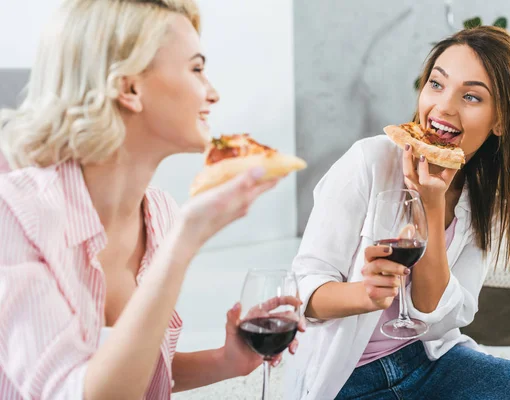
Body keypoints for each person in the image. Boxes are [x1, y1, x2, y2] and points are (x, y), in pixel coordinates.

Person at [0, 1, 303, 399]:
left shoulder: (159, 212)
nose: (212, 92)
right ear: (129, 88)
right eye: (196, 68)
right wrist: (184, 244)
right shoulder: (15, 214)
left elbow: (129, 371)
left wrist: (226, 360)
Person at [285, 26, 510, 399]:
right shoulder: (369, 161)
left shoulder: (489, 199)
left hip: (433, 363)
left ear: (500, 121)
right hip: (346, 379)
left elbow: (440, 314)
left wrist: (431, 208)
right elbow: (302, 289)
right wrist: (366, 294)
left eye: (471, 96)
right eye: (436, 84)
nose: (444, 108)